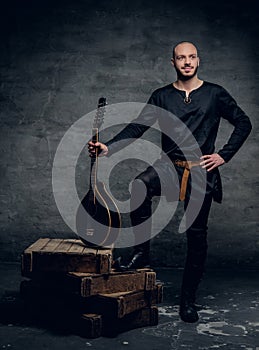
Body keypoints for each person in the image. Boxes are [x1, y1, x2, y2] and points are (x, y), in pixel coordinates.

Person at [88, 41, 252, 323]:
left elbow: (243, 122)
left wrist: (223, 156)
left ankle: (188, 300)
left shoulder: (215, 94)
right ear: (173, 62)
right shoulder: (162, 96)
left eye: (191, 57)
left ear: (198, 61)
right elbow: (139, 126)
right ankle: (142, 253)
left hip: (201, 171)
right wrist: (109, 147)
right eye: (180, 58)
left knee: (196, 236)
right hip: (170, 166)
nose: (186, 62)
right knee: (140, 185)